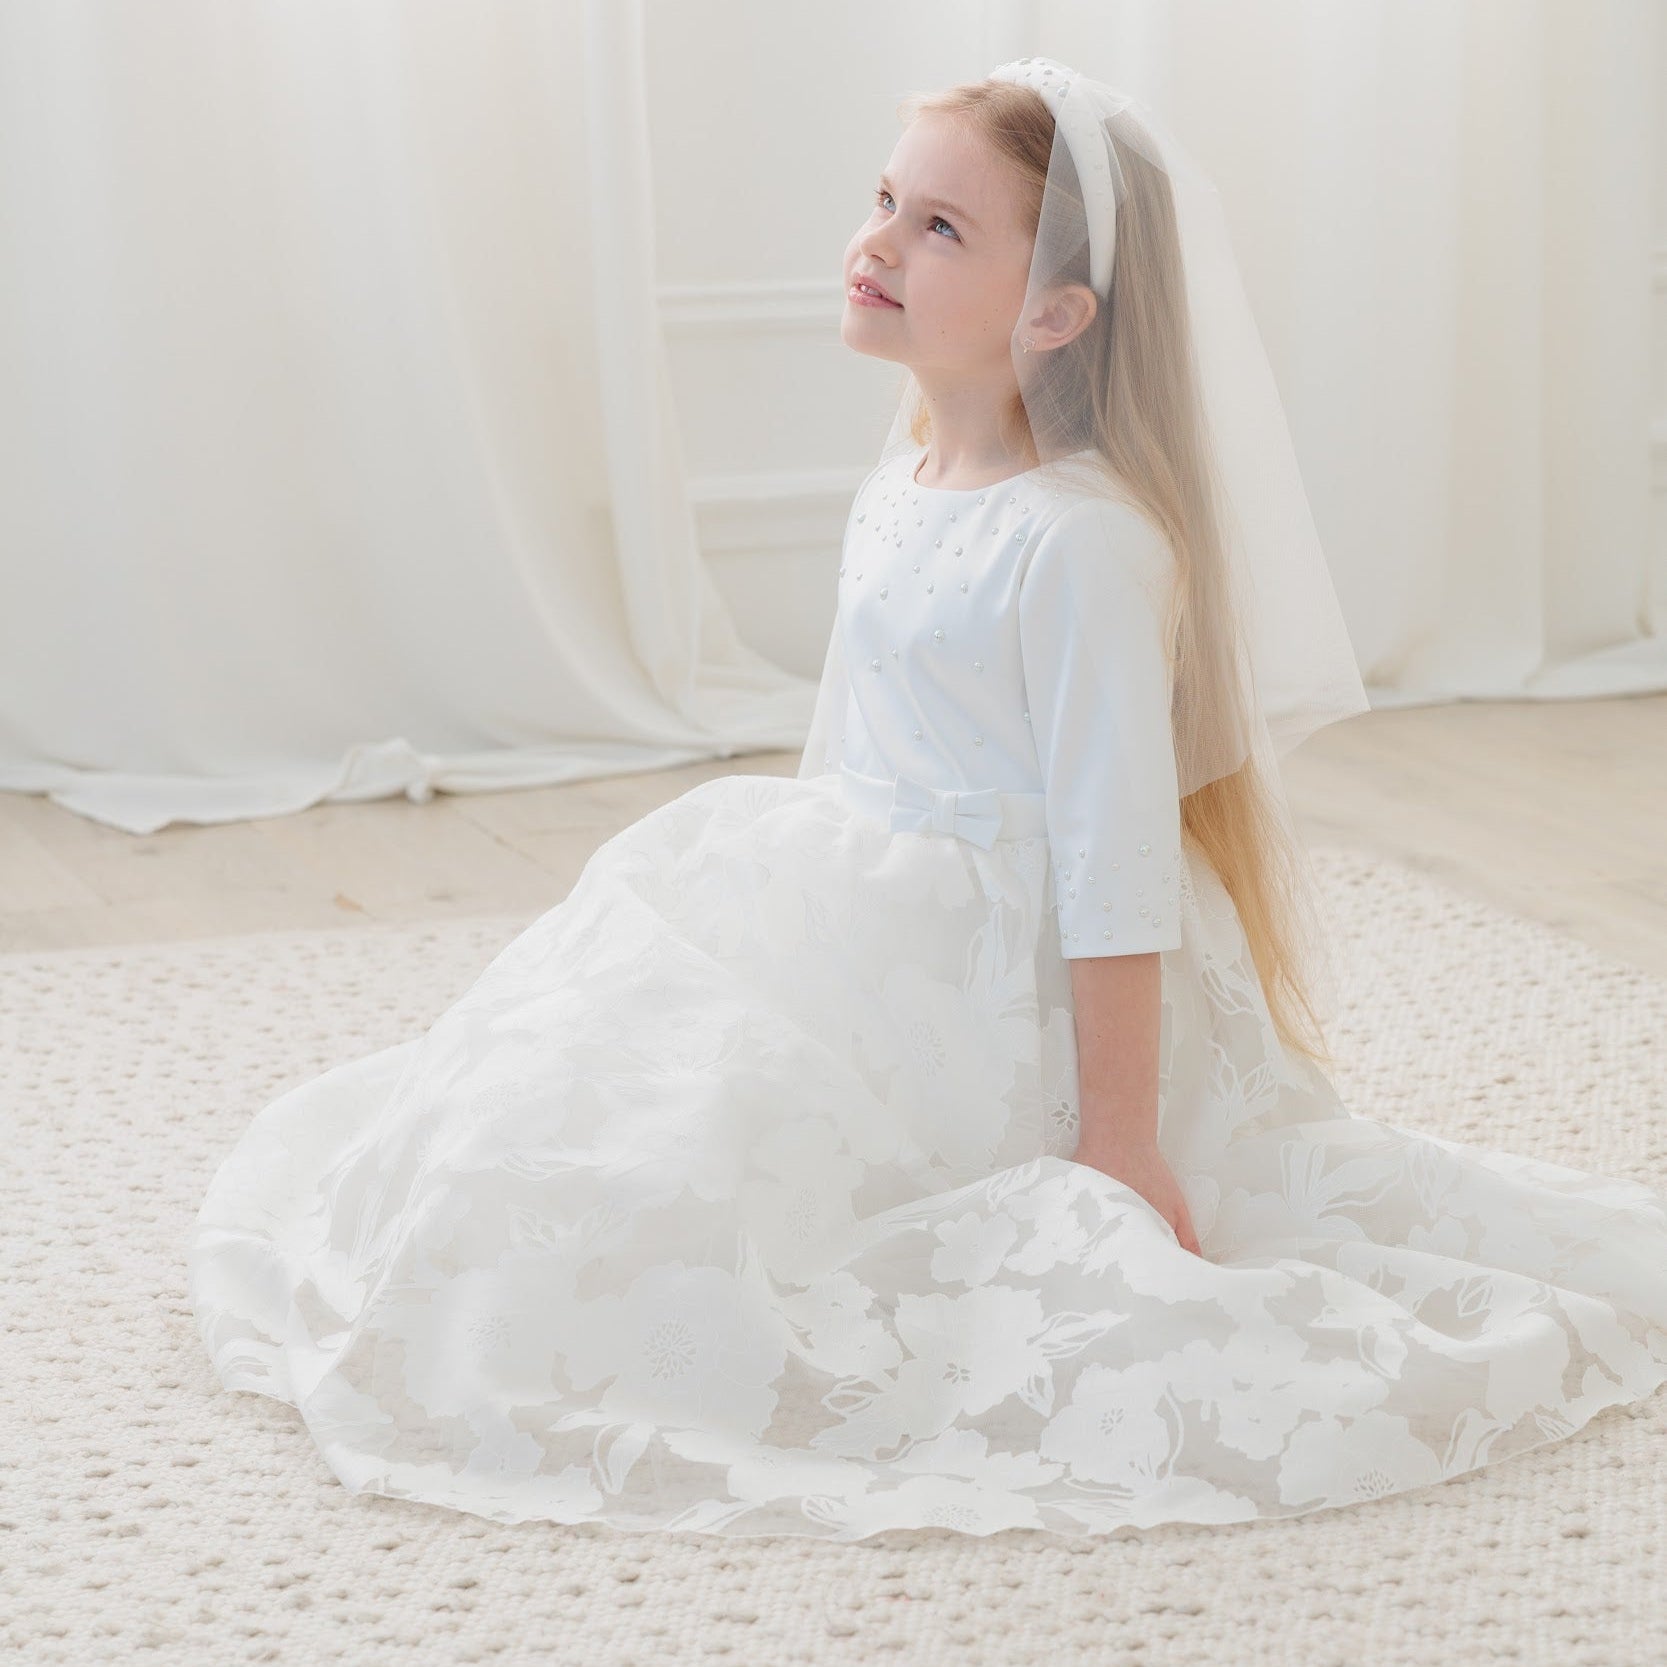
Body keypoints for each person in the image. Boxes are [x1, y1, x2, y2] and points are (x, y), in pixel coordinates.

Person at [189, 58, 1667, 1543]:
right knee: (567, 1124)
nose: (879, 242)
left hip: (997, 974)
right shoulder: (906, 474)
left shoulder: (1084, 545)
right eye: (886, 200)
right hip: (861, 905)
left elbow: (1112, 856)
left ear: (1058, 311)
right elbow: (857, 733)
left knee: (733, 1248)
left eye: (943, 228)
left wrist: (1122, 1139)